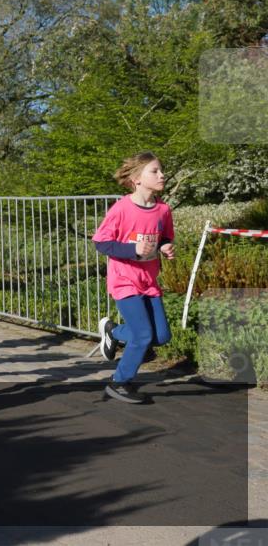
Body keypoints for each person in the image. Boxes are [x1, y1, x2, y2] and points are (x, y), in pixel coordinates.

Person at [93, 151, 175, 404]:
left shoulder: (163, 209)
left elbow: (165, 237)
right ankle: (120, 383)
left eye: (161, 170)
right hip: (124, 280)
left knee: (161, 336)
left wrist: (165, 247)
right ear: (137, 179)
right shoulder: (121, 209)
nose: (162, 175)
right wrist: (132, 250)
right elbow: (101, 243)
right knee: (142, 336)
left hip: (149, 280)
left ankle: (114, 332)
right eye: (155, 171)